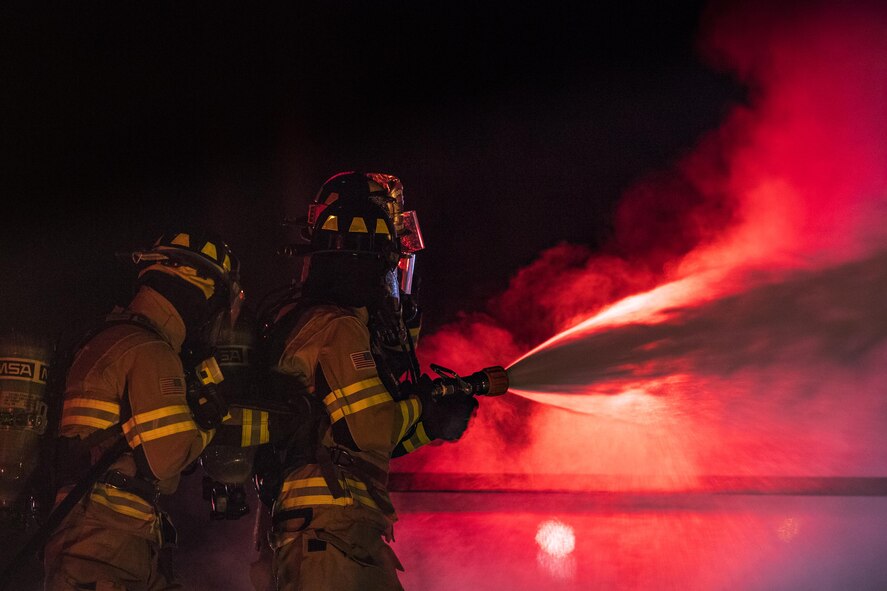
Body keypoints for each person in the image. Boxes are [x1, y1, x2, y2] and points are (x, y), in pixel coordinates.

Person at [254, 171, 479, 591]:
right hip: (330, 538)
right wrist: (425, 403)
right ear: (369, 253)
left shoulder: (320, 323)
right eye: (391, 261)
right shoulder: (337, 327)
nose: (396, 281)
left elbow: (363, 443)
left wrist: (428, 424)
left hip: (336, 534)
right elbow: (373, 428)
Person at [43, 229, 244, 591]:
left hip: (96, 536)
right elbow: (166, 460)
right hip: (106, 545)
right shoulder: (150, 350)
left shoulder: (111, 337)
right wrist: (212, 417)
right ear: (199, 287)